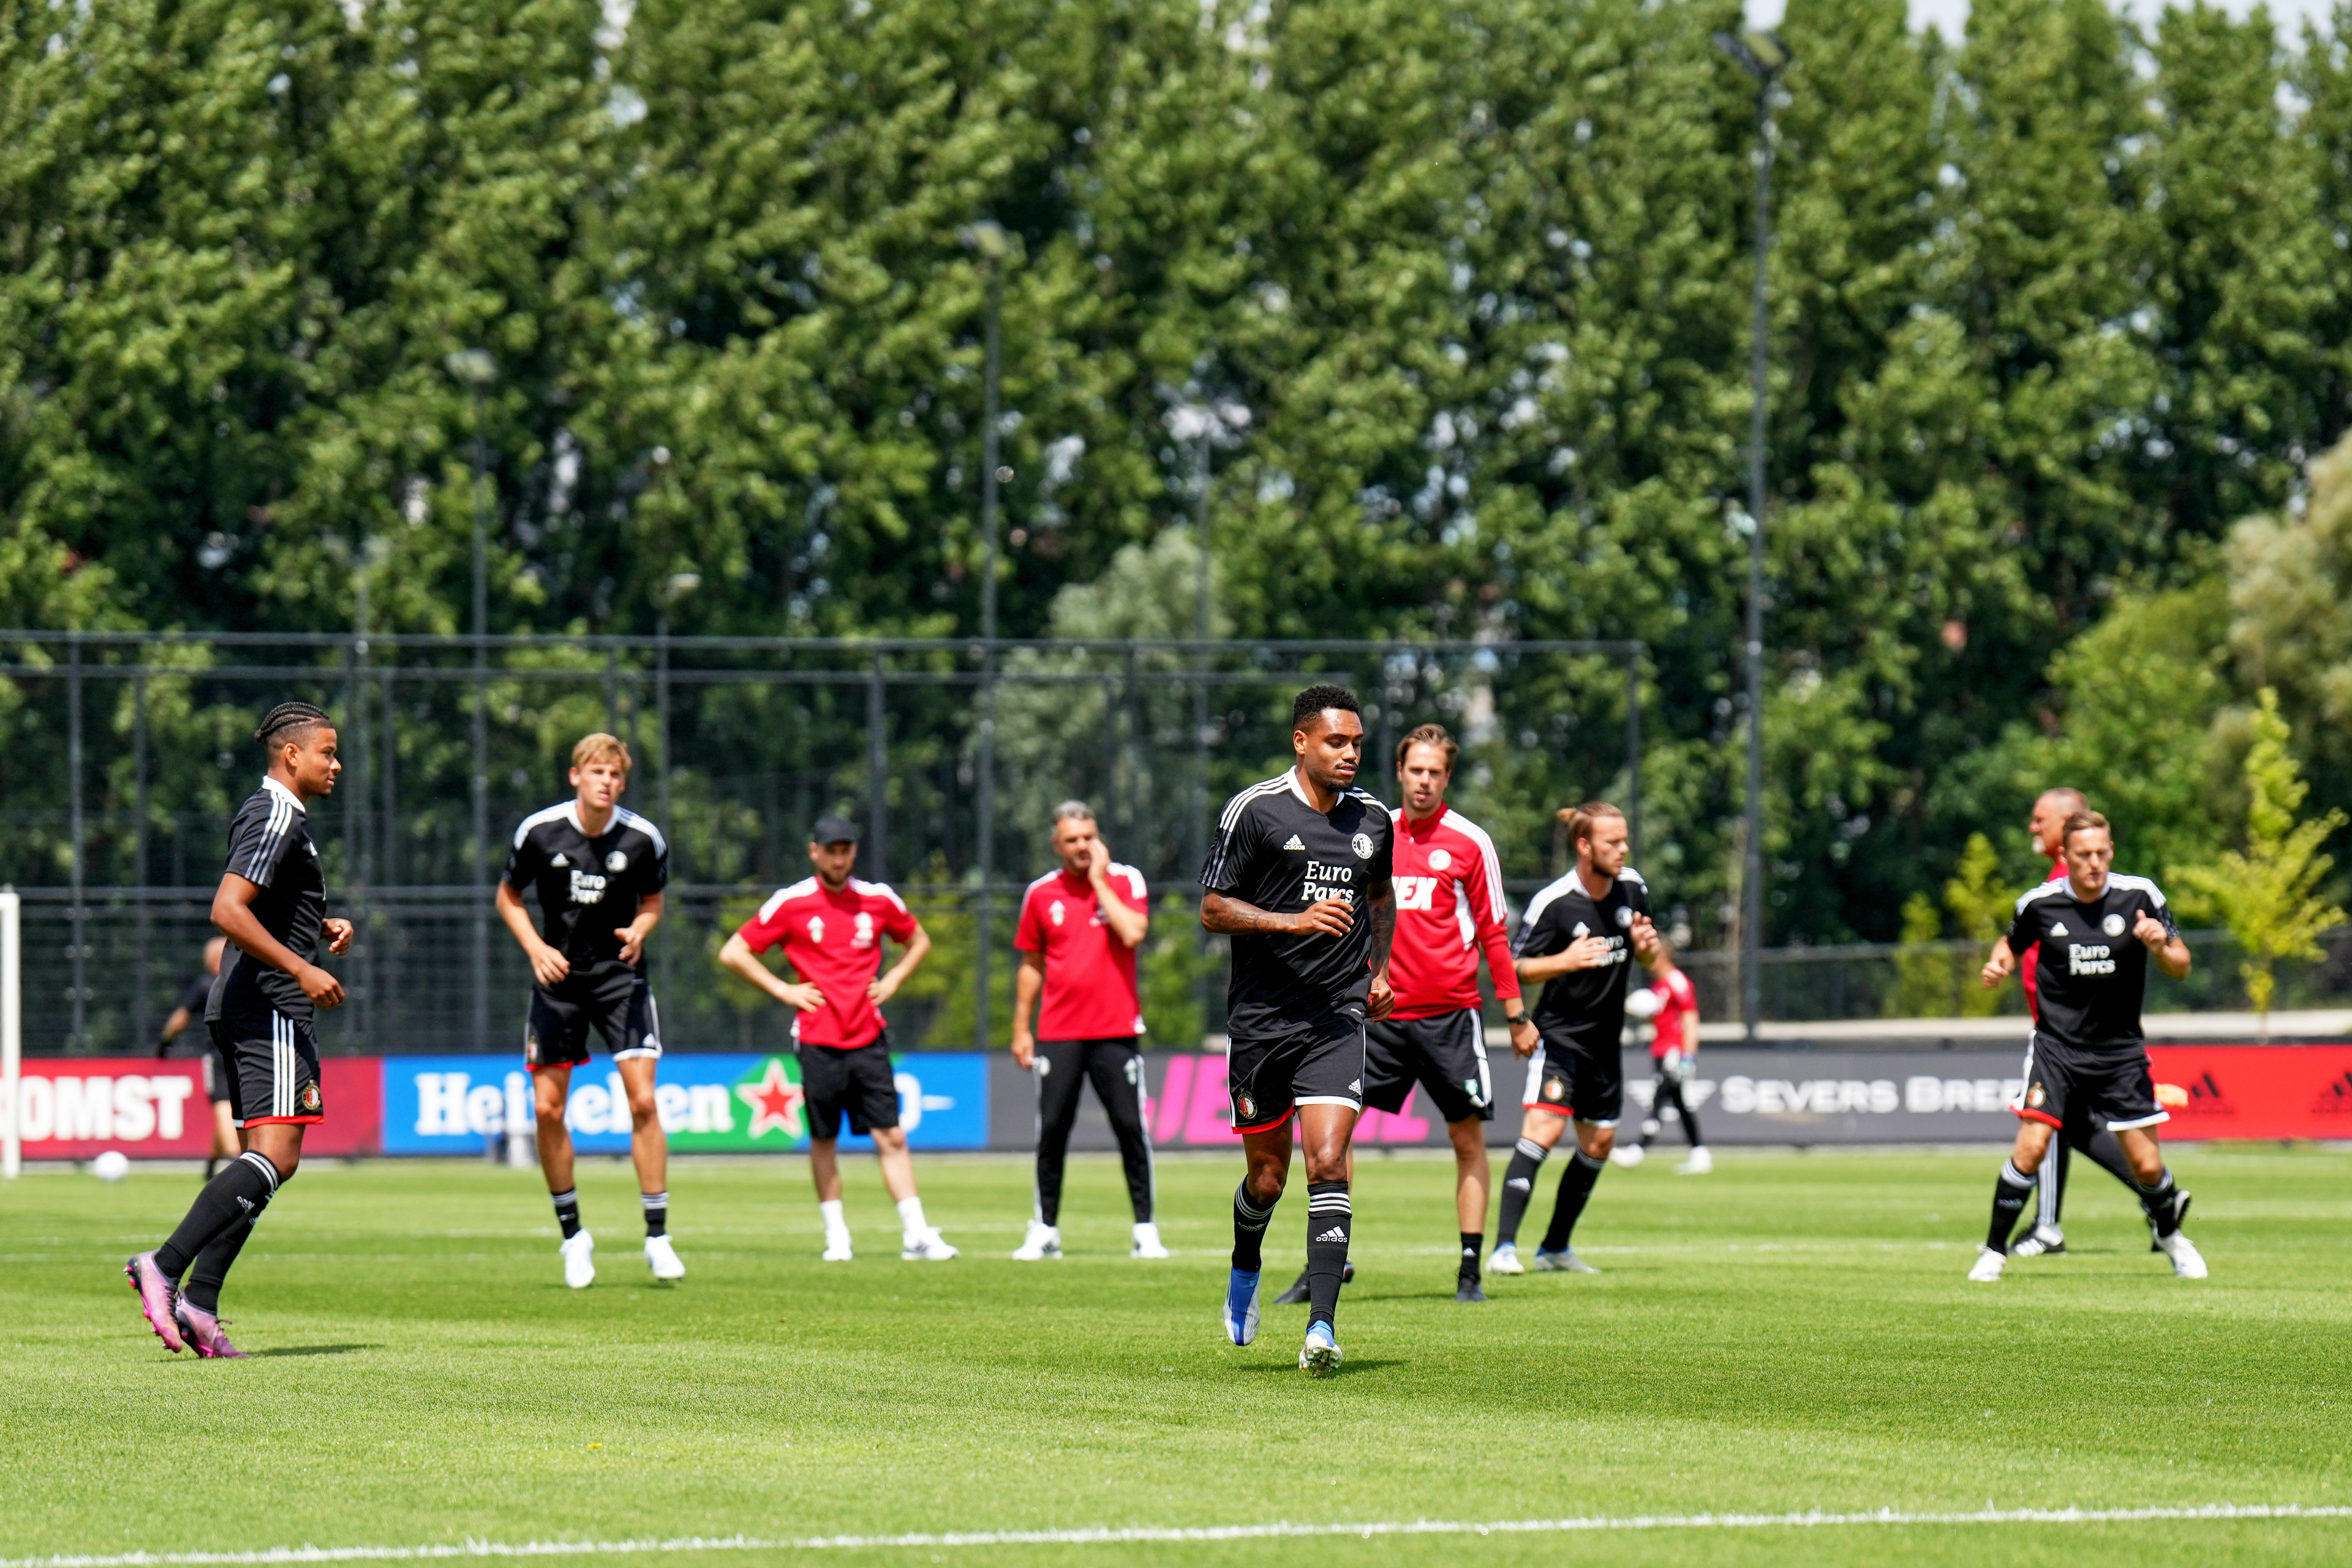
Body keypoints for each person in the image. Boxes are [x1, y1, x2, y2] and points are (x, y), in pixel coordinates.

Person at [1267, 723, 1531, 1307]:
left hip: (1450, 1018)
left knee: (1467, 1139)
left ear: (1447, 778)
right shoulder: (1370, 829)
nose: (1425, 781)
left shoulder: (1470, 842)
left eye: (1436, 772)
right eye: (1416, 770)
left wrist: (1516, 1012)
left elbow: (1493, 931)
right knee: (1334, 1137)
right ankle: (1329, 1262)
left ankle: (1469, 1270)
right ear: (1401, 772)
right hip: (1376, 1016)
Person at [126, 702, 354, 1359]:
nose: (335, 764)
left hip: (257, 1002)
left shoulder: (284, 818)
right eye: (327, 752)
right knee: (275, 1157)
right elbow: (227, 909)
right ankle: (166, 1267)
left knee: (272, 1159)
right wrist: (301, 967)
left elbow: (269, 904)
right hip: (270, 1004)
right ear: (291, 755)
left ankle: (201, 1301)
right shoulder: (277, 812)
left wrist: (320, 925)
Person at [1203, 683, 1395, 1377]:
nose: (1350, 754)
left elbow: (1380, 894)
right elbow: (1213, 908)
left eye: (1357, 743)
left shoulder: (1374, 819)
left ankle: (1321, 1325)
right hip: (1261, 1020)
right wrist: (1292, 920)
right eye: (1336, 742)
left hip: (1336, 1015)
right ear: (1302, 742)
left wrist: (1379, 968)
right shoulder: (1254, 811)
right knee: (1268, 1176)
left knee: (1327, 1162)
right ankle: (1245, 1267)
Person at [1970, 810, 2205, 1281]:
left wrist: (2160, 945)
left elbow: (2182, 964)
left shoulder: (2141, 895)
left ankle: (2171, 1237)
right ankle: (1994, 1252)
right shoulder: (2040, 904)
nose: (2094, 863)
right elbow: (2009, 944)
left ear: (2111, 851)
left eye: (2102, 853)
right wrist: (1998, 965)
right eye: (2084, 855)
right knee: (2032, 1147)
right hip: (2057, 1048)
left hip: (2120, 1053)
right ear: (2066, 856)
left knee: (2146, 1164)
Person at [718, 815, 956, 1262]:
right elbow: (733, 951)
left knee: (891, 1136)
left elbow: (918, 940)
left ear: (854, 853)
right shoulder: (791, 903)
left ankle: (917, 1234)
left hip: (868, 1036)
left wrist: (895, 979)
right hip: (817, 1038)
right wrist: (784, 990)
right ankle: (837, 1237)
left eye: (846, 849)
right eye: (831, 849)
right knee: (824, 1139)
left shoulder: (878, 899)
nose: (839, 857)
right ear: (815, 852)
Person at [496, 733, 680, 1288]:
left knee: (644, 1101)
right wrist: (535, 948)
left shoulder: (644, 839)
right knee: (548, 1111)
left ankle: (657, 1236)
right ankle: (574, 1237)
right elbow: (509, 895)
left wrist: (643, 928)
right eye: (597, 772)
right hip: (558, 982)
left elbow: (653, 902)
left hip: (621, 980)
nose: (607, 782)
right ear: (576, 776)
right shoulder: (539, 831)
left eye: (616, 775)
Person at [1489, 801, 1660, 1276]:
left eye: (1624, 840)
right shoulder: (1555, 901)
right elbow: (1512, 966)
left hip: (1607, 1043)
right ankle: (1504, 1248)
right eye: (1613, 842)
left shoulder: (1633, 887)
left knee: (1600, 1143)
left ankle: (1555, 1248)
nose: (1623, 849)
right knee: (1543, 1130)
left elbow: (1646, 951)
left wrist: (1648, 951)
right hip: (1559, 1038)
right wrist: (1565, 960)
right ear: (1585, 847)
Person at [1008, 802, 1164, 1261]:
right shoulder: (1040, 894)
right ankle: (1045, 1230)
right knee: (1052, 1131)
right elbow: (1031, 965)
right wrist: (1021, 1027)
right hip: (1059, 1032)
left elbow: (1133, 932)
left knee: (1130, 1130)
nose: (1082, 846)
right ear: (1057, 844)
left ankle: (1145, 1230)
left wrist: (1098, 881)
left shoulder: (1125, 880)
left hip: (1116, 1030)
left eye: (1088, 837)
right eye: (1072, 840)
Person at [2007, 786, 2146, 1259]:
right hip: (2057, 1035)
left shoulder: (2084, 884)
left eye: (2039, 818)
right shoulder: (2052, 887)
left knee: (2051, 1121)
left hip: (2073, 1039)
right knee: (2060, 1124)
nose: (2033, 827)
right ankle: (2154, 1198)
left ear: (2068, 822)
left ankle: (2050, 1227)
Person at [1611, 959, 1709, 1173]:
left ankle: (1638, 1150)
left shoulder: (1677, 981)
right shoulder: (1659, 984)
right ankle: (1700, 1152)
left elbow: (1690, 1017)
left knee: (1660, 1097)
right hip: (1661, 1049)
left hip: (1674, 1052)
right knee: (1678, 1101)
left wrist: (1688, 1056)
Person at [154, 937, 237, 1179]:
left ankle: (227, 1161)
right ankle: (224, 1161)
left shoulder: (206, 986)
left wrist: (165, 1043)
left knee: (224, 1106)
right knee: (229, 1108)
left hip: (220, 1052)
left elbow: (180, 1018)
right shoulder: (245, 982)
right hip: (244, 1051)